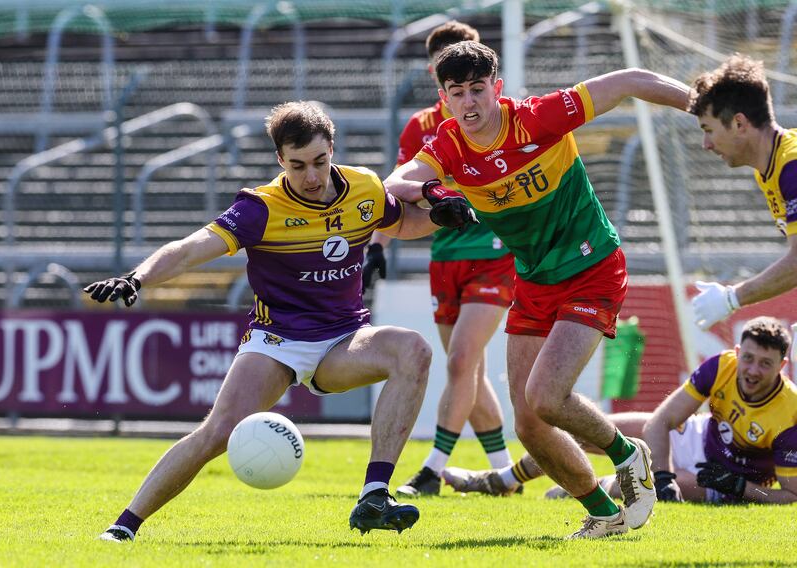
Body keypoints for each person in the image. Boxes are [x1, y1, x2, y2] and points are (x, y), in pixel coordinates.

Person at [86, 101, 473, 542]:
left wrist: (440, 220)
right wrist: (139, 277)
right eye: (298, 165)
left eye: (320, 162)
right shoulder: (260, 208)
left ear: (332, 148)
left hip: (344, 339)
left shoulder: (364, 187)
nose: (311, 177)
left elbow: (402, 223)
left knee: (414, 350)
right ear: (279, 160)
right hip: (276, 342)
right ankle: (124, 526)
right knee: (216, 434)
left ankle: (374, 495)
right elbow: (193, 247)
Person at [384, 40, 693, 538]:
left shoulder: (537, 118)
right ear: (444, 97)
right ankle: (604, 513)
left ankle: (627, 455)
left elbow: (631, 79)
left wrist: (698, 101)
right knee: (528, 423)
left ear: (496, 88)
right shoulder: (447, 145)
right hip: (534, 279)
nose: (469, 103)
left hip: (591, 266)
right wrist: (433, 193)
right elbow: (396, 180)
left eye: (477, 90)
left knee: (547, 395)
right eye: (456, 92)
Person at [364, 21, 518, 498]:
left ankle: (431, 469)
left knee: (461, 363)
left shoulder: (500, 117)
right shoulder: (421, 128)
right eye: (453, 66)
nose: (467, 82)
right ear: (438, 74)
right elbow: (397, 195)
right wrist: (376, 245)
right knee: (464, 370)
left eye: (476, 73)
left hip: (494, 254)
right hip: (445, 255)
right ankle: (502, 473)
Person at [445, 317, 797, 505]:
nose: (751, 370)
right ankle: (502, 480)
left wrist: (740, 487)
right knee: (582, 431)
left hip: (727, 481)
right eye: (748, 358)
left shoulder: (790, 412)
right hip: (694, 438)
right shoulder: (723, 365)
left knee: (640, 487)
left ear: (782, 365)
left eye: (765, 364)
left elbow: (790, 496)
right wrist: (663, 476)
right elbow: (664, 420)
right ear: (738, 350)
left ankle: (589, 487)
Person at [690, 55, 797, 330]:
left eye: (708, 130)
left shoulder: (792, 166)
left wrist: (731, 298)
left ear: (739, 124)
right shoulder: (772, 169)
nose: (706, 144)